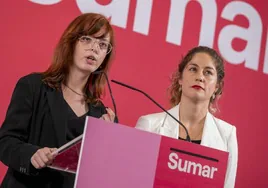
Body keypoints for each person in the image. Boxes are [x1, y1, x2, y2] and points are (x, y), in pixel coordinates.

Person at [0, 13, 116, 188]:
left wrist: (106, 143)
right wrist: (32, 154)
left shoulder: (103, 114)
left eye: (102, 44)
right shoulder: (33, 86)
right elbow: (5, 141)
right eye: (87, 39)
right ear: (71, 43)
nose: (94, 48)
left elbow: (103, 175)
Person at [135, 46, 238, 188]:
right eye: (193, 69)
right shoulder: (149, 125)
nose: (200, 77)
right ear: (180, 79)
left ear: (217, 87)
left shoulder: (227, 135)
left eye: (208, 72)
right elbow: (134, 180)